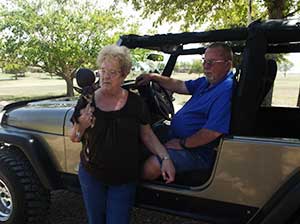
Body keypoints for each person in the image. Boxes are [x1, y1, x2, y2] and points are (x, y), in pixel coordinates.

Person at [70, 45, 175, 224]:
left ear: (124, 75)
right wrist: (82, 125)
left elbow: (147, 135)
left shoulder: (136, 103)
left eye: (112, 72)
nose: (106, 76)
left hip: (124, 178)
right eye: (102, 70)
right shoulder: (88, 100)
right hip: (92, 173)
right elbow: (75, 137)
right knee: (96, 221)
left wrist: (166, 159)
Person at [136, 42, 234, 181]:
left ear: (227, 64)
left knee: (153, 164)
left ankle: (131, 194)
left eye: (211, 62)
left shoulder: (226, 89)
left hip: (198, 151)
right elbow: (180, 85)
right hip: (176, 136)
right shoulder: (208, 82)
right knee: (137, 144)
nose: (206, 66)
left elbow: (212, 132)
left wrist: (183, 143)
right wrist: (154, 77)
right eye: (205, 61)